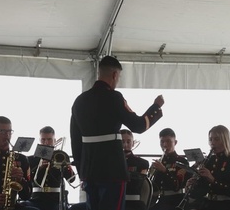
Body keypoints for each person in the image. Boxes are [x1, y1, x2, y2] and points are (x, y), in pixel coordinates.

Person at [70, 55, 164, 210]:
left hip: (89, 170)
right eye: (118, 77)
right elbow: (138, 126)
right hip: (112, 169)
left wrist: (82, 171)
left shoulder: (80, 100)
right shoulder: (114, 97)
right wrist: (156, 107)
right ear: (114, 75)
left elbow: (75, 139)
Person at [185, 125, 230, 210]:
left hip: (227, 206)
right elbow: (202, 190)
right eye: (210, 139)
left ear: (225, 140)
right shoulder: (210, 160)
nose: (212, 143)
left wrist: (212, 179)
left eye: (216, 139)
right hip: (209, 204)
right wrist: (191, 187)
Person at [24, 126, 75, 210]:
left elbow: (72, 179)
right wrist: (39, 168)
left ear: (55, 141)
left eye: (49, 139)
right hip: (35, 199)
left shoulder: (60, 156)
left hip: (56, 200)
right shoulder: (31, 159)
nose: (46, 143)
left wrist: (65, 166)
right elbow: (28, 180)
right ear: (39, 141)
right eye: (43, 140)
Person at [0, 116, 39, 210]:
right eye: (3, 131)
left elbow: (27, 196)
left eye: (9, 131)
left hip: (11, 206)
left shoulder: (22, 159)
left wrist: (20, 180)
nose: (7, 135)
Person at [148, 128, 190, 210]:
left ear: (175, 142)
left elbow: (177, 185)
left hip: (175, 202)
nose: (165, 145)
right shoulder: (159, 162)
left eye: (168, 141)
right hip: (159, 202)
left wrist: (164, 171)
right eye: (162, 142)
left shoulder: (182, 161)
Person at [122, 129, 150, 210]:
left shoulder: (142, 163)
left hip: (134, 202)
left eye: (128, 141)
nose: (125, 145)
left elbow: (137, 184)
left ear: (133, 143)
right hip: (114, 201)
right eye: (122, 141)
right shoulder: (111, 162)